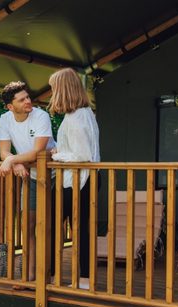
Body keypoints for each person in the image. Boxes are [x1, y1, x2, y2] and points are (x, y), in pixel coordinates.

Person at [0, 81, 56, 282]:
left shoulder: (41, 116)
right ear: (10, 107)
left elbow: (38, 152)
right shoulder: (5, 119)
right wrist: (14, 163)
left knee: (49, 225)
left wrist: (13, 159)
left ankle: (47, 277)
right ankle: (30, 276)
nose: (28, 101)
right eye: (22, 99)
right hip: (30, 177)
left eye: (28, 97)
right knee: (27, 225)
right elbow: (4, 150)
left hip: (54, 177)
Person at [48, 68, 100, 279]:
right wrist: (60, 151)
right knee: (83, 228)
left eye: (53, 89)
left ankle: (50, 275)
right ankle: (85, 278)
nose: (52, 94)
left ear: (62, 90)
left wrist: (58, 156)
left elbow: (82, 154)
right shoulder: (84, 113)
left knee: (51, 225)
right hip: (83, 179)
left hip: (78, 179)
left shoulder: (77, 118)